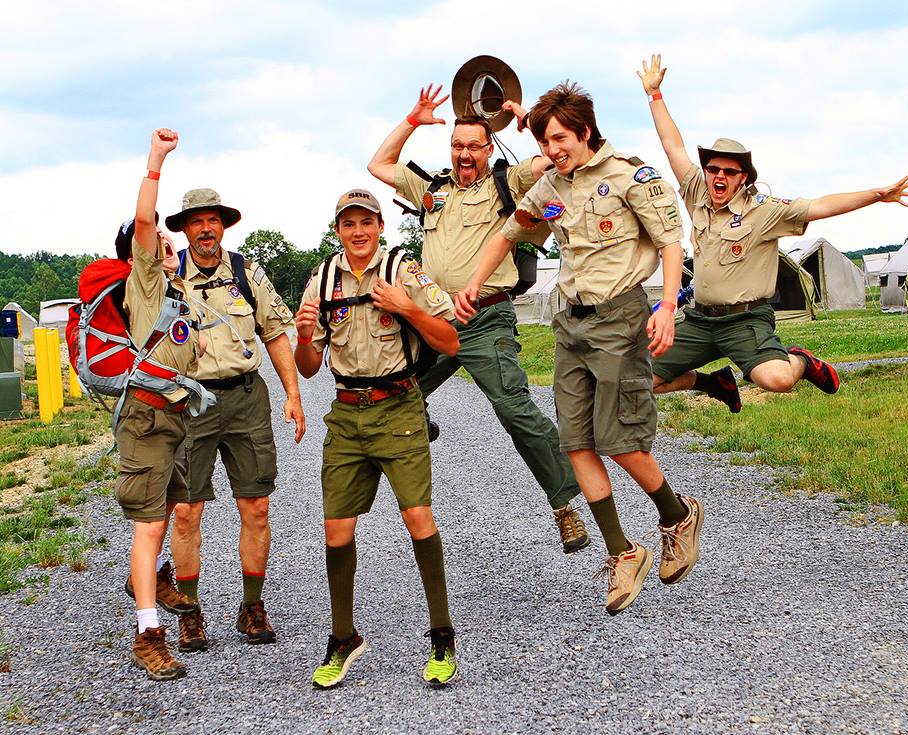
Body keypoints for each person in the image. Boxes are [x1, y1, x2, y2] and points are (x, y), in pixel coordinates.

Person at [456, 82, 704, 615]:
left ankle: (676, 515)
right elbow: (508, 233)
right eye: (545, 142)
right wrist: (475, 283)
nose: (552, 151)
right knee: (576, 443)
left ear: (585, 131)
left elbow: (669, 241)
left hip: (620, 317)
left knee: (621, 443)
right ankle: (622, 551)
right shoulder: (551, 184)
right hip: (569, 321)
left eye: (560, 140)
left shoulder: (628, 176)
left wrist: (665, 307)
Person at [368, 84, 590, 554]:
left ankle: (566, 505)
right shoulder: (433, 189)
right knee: (394, 390)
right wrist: (412, 119)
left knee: (514, 409)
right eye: (457, 145)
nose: (464, 153)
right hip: (434, 322)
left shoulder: (506, 183)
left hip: (485, 319)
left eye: (473, 146)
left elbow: (552, 159)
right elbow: (379, 165)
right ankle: (418, 415)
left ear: (489, 149)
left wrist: (527, 119)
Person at [638, 54, 908, 403]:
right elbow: (672, 146)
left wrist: (876, 195)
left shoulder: (765, 212)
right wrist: (655, 95)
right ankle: (715, 383)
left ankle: (801, 360)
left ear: (743, 179)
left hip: (745, 322)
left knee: (778, 380)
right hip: (699, 321)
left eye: (729, 171)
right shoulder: (696, 191)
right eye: (713, 169)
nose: (719, 176)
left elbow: (820, 206)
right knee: (640, 381)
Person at [294, 189, 461, 688]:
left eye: (367, 221)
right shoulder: (322, 281)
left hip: (398, 408)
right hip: (347, 415)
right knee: (336, 530)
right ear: (338, 230)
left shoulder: (402, 271)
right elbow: (308, 368)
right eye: (349, 224)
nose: (358, 231)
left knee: (417, 516)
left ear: (381, 226)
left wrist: (408, 308)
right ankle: (343, 638)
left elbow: (450, 341)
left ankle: (442, 635)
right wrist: (305, 336)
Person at [166, 188, 306, 651]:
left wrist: (292, 393)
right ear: (184, 229)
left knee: (257, 506)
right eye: (197, 221)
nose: (206, 229)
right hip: (190, 403)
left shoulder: (246, 272)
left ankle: (251, 607)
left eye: (214, 220)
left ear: (224, 225)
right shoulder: (168, 278)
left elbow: (274, 332)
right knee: (186, 513)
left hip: (246, 399)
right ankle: (189, 613)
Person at [118, 128, 202, 680]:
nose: (169, 251)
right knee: (148, 527)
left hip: (174, 417)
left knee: (168, 513)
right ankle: (148, 632)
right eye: (158, 247)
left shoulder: (179, 292)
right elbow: (147, 223)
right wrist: (155, 161)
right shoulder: (145, 280)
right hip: (146, 416)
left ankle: (144, 579)